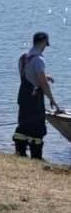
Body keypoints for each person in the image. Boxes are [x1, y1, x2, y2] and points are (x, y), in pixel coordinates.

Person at [13, 31, 62, 160]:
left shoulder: (23, 58)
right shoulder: (39, 60)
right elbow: (43, 84)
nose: (46, 47)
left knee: (23, 126)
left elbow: (28, 77)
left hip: (23, 97)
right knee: (37, 129)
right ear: (44, 42)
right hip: (34, 101)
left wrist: (45, 76)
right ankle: (36, 157)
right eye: (46, 44)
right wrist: (53, 101)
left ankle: (20, 153)